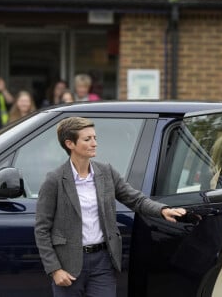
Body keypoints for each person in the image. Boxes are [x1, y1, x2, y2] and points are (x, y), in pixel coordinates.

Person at [35, 116, 186, 297]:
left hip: (102, 262)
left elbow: (135, 199)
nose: (94, 143)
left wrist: (162, 210)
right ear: (70, 144)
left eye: (95, 138)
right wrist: (55, 269)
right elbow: (42, 229)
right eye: (87, 139)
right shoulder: (55, 180)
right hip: (69, 263)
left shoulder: (106, 172)